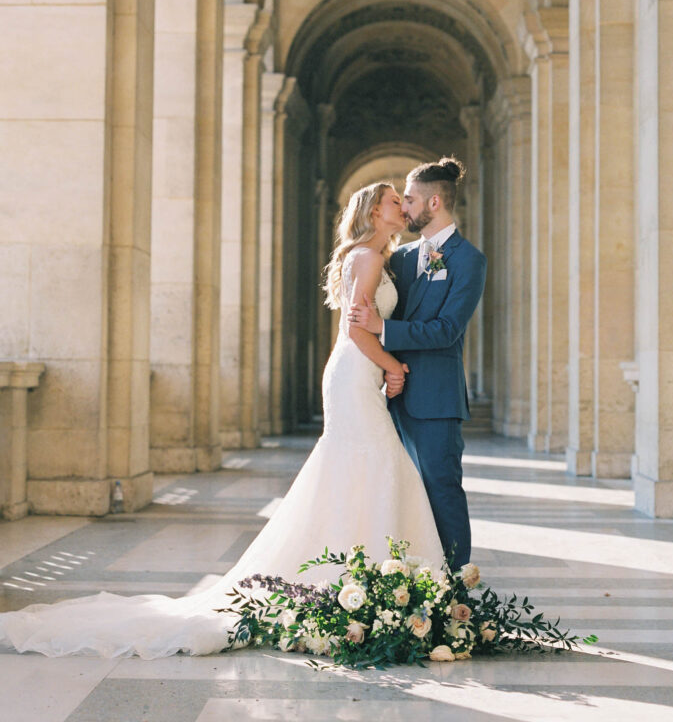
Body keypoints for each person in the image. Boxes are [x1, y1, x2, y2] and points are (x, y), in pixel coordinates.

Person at [0, 182, 443, 658]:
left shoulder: (370, 256)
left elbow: (365, 323)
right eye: (396, 200)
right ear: (375, 211)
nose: (404, 206)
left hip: (356, 372)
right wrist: (393, 366)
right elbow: (357, 328)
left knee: (358, 468)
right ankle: (360, 584)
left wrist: (387, 362)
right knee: (369, 462)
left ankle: (360, 583)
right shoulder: (368, 258)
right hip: (356, 373)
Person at [350, 157, 486, 568]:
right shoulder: (402, 257)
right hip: (389, 397)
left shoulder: (469, 260)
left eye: (408, 199)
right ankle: (406, 584)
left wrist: (383, 330)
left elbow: (447, 329)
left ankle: (456, 589)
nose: (404, 207)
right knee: (399, 495)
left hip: (435, 400)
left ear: (434, 202)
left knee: (442, 490)